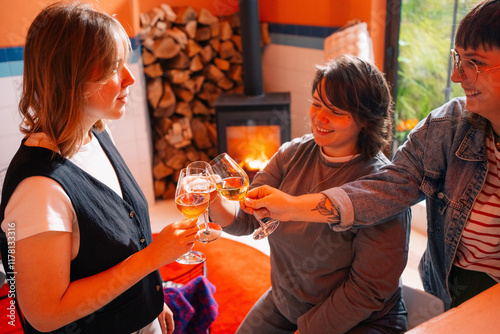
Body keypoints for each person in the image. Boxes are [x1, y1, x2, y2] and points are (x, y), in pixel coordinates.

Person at [244, 0, 500, 311]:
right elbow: (386, 190)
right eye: (457, 59)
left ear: (365, 120)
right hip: (453, 287)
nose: (456, 77)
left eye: (473, 62)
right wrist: (290, 207)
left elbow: (369, 288)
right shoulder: (447, 127)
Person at [0, 2, 199, 333]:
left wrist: (153, 299)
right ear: (70, 79)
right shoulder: (39, 191)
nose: (130, 77)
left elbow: (127, 240)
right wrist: (154, 258)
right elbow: (44, 314)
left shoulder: (96, 134)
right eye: (113, 68)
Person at [210, 54, 410, 333]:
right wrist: (214, 199)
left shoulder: (381, 187)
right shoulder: (293, 153)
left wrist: (307, 329)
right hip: (287, 302)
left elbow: (368, 290)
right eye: (316, 103)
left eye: (336, 112)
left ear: (366, 120)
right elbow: (247, 219)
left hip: (360, 319)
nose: (320, 117)